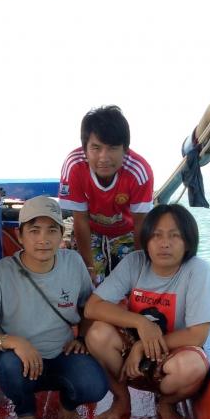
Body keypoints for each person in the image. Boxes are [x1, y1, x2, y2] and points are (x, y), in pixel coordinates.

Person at [0, 195, 108, 419]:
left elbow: (89, 307)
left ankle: (68, 403)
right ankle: (26, 410)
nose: (43, 239)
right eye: (34, 230)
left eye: (52, 230)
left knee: (95, 386)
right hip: (20, 361)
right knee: (7, 367)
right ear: (20, 236)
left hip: (62, 354)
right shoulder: (0, 273)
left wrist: (82, 336)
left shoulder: (73, 262)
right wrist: (13, 342)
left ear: (61, 234)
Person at [83, 203, 210, 419]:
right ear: (146, 240)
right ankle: (122, 398)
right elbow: (92, 307)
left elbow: (198, 335)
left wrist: (142, 347)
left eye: (175, 236)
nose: (165, 243)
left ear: (188, 242)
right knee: (97, 334)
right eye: (157, 235)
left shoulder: (198, 270)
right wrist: (140, 322)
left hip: (171, 356)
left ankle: (167, 402)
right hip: (131, 362)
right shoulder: (135, 262)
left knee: (193, 365)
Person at [58, 105, 154, 284]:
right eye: (96, 148)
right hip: (89, 231)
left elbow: (141, 224)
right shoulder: (74, 167)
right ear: (85, 149)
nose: (104, 157)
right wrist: (89, 268)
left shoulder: (139, 171)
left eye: (112, 148)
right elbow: (80, 219)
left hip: (127, 232)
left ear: (125, 149)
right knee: (88, 283)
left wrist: (139, 270)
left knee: (129, 283)